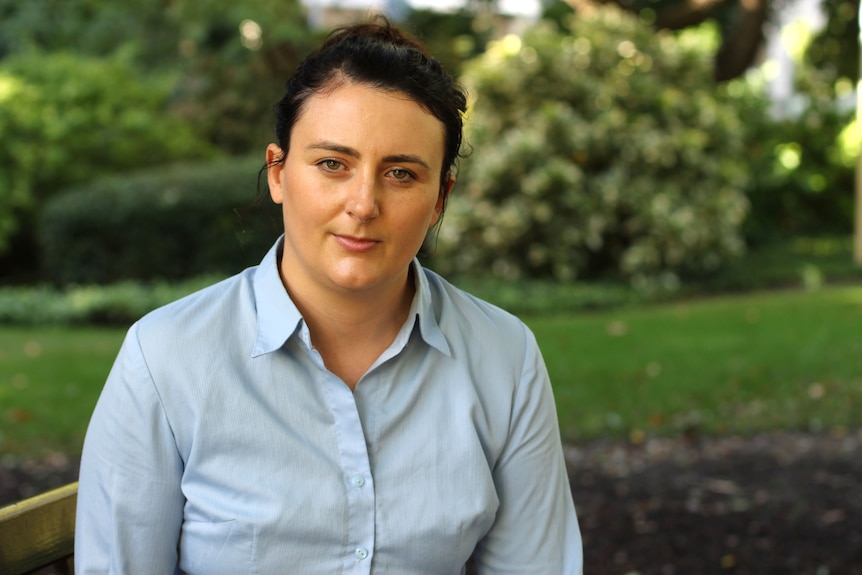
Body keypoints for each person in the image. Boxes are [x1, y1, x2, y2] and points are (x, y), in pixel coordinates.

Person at [75, 17, 583, 575]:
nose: (363, 205)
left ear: (441, 198)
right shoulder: (166, 358)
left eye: (401, 174)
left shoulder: (504, 357)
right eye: (332, 164)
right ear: (277, 172)